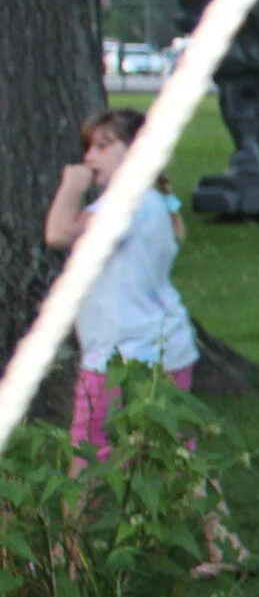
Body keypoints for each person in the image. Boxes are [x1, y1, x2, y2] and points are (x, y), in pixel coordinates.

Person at [44, 110, 199, 468]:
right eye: (88, 148)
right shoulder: (145, 201)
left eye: (102, 146)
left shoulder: (128, 204)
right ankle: (215, 526)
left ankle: (76, 527)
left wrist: (70, 187)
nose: (89, 158)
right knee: (176, 455)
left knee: (89, 453)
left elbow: (59, 233)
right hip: (161, 347)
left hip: (123, 355)